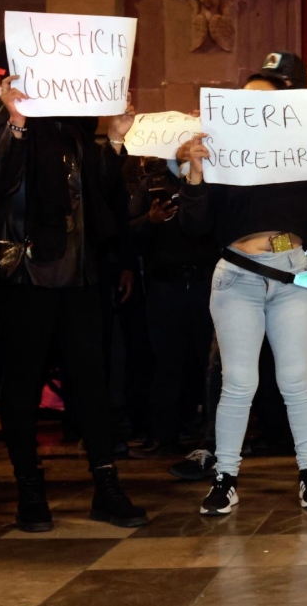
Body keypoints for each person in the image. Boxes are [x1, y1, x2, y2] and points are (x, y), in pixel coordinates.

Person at [0, 42, 148, 531]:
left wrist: (114, 140)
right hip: (25, 270)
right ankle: (30, 491)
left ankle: (106, 487)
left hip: (77, 271)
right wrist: (16, 122)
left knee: (90, 378)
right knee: (23, 380)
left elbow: (99, 193)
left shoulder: (72, 123)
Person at [178, 59, 307, 514]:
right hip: (236, 276)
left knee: (297, 379)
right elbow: (196, 227)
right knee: (239, 382)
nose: (259, 110)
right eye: (249, 101)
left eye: (269, 102)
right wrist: (195, 178)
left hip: (293, 272)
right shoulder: (222, 156)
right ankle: (225, 477)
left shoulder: (301, 158)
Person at [126, 156, 218, 459]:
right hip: (166, 285)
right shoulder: (151, 182)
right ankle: (164, 436)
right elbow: (127, 231)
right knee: (167, 362)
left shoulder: (215, 176)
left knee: (210, 362)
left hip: (207, 282)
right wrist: (149, 221)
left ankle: (213, 435)